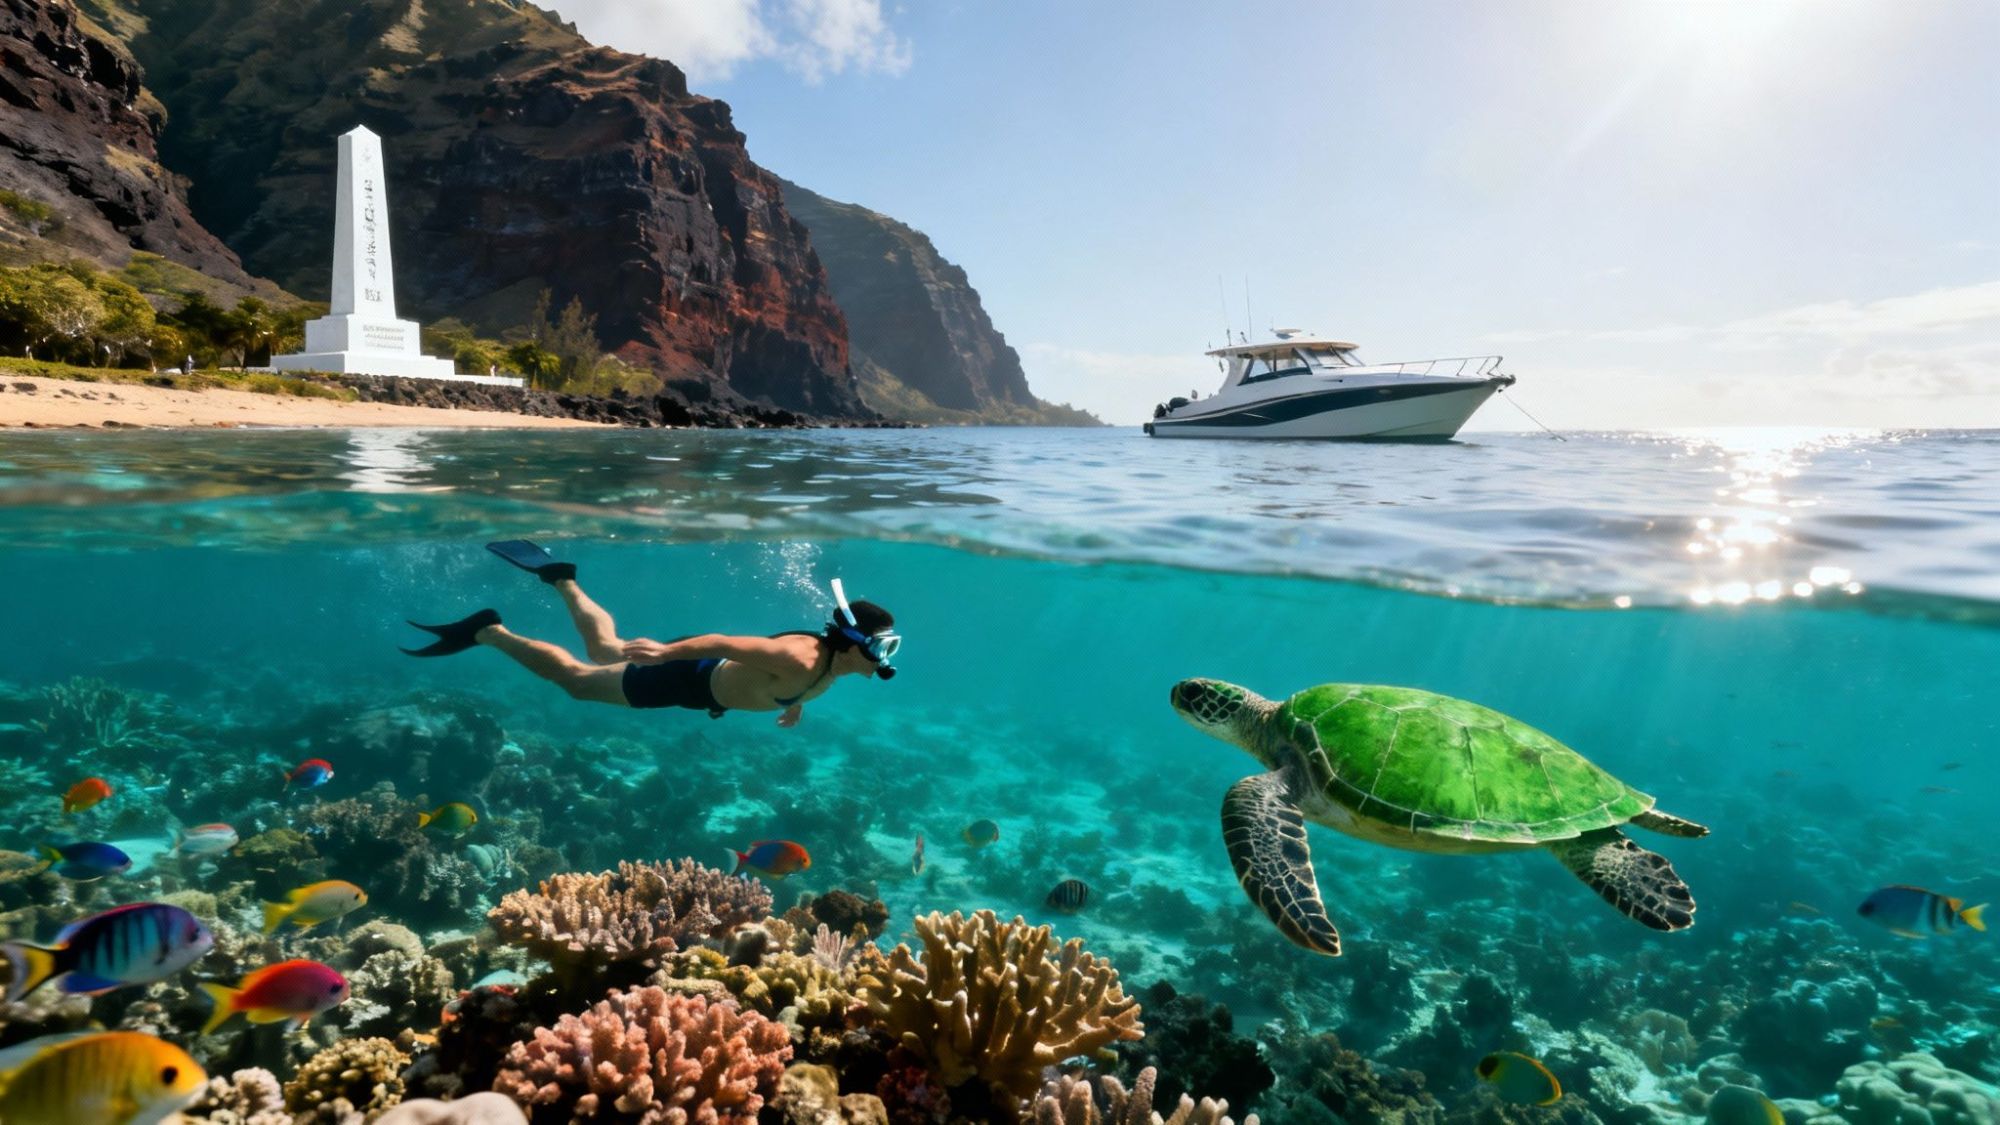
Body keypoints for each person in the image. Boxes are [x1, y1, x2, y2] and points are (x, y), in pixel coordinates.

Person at [400, 541, 899, 727]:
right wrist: (664, 653)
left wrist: (795, 703)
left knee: (602, 651)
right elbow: (724, 642)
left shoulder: (830, 668)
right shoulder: (798, 656)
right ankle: (490, 631)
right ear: (853, 644)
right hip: (688, 675)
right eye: (880, 646)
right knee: (579, 678)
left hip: (695, 685)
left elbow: (792, 678)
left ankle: (561, 580)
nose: (883, 657)